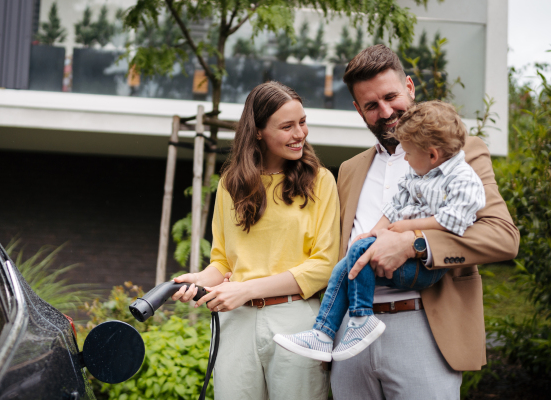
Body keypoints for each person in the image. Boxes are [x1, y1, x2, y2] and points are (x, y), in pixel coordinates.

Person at [330, 45, 520, 399]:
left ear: (410, 88)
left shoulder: (460, 152)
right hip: (350, 333)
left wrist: (415, 244)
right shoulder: (348, 170)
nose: (386, 112)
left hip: (424, 326)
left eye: (391, 96)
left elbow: (502, 237)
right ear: (359, 110)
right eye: (371, 105)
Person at [274, 100, 486, 363]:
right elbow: (395, 206)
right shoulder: (417, 174)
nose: (404, 158)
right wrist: (373, 233)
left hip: (423, 269)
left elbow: (456, 220)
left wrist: (407, 230)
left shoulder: (463, 179)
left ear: (432, 155)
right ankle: (323, 334)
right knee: (349, 262)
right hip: (400, 264)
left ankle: (361, 318)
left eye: (407, 152)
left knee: (358, 257)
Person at [171, 81, 340, 400]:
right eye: (287, 126)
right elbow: (222, 261)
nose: (300, 133)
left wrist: (247, 289)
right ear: (258, 131)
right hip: (235, 322)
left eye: (302, 122)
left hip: (296, 320)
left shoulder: (320, 182)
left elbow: (325, 265)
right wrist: (198, 280)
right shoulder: (229, 184)